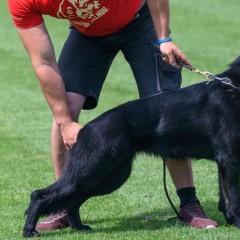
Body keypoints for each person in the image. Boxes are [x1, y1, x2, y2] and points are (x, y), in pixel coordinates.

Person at [8, 0, 218, 230]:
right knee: (65, 108)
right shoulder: (21, 2)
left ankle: (189, 202)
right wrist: (65, 122)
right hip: (87, 34)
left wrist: (164, 38)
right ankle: (62, 203)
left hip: (139, 22)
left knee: (167, 109)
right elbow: (43, 63)